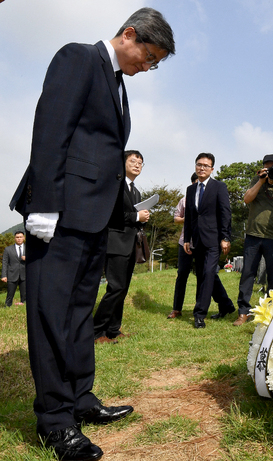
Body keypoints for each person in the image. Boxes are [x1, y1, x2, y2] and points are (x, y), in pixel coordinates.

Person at [8, 8, 175, 460]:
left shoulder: (116, 82)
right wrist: (43, 206)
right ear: (129, 34)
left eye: (155, 62)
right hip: (59, 215)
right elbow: (50, 132)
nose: (148, 66)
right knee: (50, 314)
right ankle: (55, 421)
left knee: (80, 313)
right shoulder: (78, 58)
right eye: (149, 55)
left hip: (93, 218)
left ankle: (80, 399)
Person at [93, 151, 150, 343]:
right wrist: (136, 217)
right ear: (122, 163)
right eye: (133, 161)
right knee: (116, 288)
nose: (137, 165)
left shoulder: (136, 191)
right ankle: (95, 331)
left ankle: (113, 329)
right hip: (115, 243)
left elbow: (133, 218)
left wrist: (143, 218)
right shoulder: (115, 185)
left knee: (123, 289)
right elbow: (109, 215)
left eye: (140, 163)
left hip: (131, 244)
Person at [236, 154, 273, 326]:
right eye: (268, 167)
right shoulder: (257, 180)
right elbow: (247, 199)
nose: (271, 171)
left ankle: (272, 311)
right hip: (254, 235)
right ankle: (243, 312)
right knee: (248, 273)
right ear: (262, 168)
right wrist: (261, 181)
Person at [183, 153, 235, 329]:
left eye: (206, 165)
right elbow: (190, 216)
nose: (202, 168)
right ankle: (226, 305)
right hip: (196, 239)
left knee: (207, 273)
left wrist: (225, 237)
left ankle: (199, 314)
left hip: (214, 239)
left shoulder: (219, 186)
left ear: (212, 169)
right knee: (206, 274)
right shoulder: (191, 190)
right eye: (199, 164)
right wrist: (187, 238)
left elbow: (225, 213)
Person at [167, 173, 198, 319]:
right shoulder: (184, 200)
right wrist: (187, 218)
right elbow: (176, 219)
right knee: (182, 275)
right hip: (184, 242)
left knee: (204, 276)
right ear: (192, 184)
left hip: (202, 243)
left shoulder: (208, 199)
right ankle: (176, 308)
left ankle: (199, 310)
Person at [2, 231, 26, 306]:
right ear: (14, 238)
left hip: (25, 274)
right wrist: (4, 275)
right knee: (10, 294)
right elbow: (5, 263)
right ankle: (7, 307)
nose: (19, 239)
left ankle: (24, 307)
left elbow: (35, 260)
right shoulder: (8, 249)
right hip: (12, 275)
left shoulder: (29, 249)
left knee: (25, 294)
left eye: (20, 237)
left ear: (24, 238)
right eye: (17, 237)